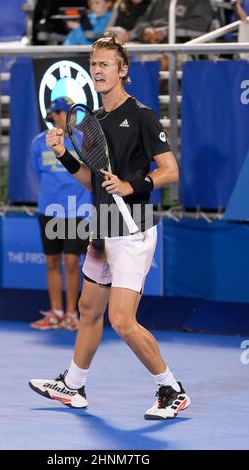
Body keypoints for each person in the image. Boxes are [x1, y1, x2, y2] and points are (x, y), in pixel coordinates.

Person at [29, 34, 191, 420]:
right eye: (94, 63)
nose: (98, 70)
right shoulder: (94, 121)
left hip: (133, 227)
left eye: (105, 64)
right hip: (103, 225)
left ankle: (171, 388)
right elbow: (90, 180)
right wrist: (64, 155)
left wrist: (133, 185)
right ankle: (73, 385)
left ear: (123, 71)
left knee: (121, 319)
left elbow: (170, 171)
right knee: (88, 309)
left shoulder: (142, 115)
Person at [30, 97, 91, 331]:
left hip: (78, 210)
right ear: (53, 115)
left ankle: (72, 314)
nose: (69, 117)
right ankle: (55, 313)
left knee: (72, 261)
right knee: (52, 261)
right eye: (65, 113)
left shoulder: (84, 141)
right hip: (49, 210)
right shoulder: (38, 143)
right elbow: (38, 172)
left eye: (71, 113)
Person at [112, 0, 213, 44]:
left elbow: (200, 25)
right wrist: (144, 31)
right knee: (117, 53)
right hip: (150, 44)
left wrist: (165, 32)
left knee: (159, 62)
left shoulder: (200, 1)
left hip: (181, 48)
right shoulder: (159, 1)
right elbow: (143, 20)